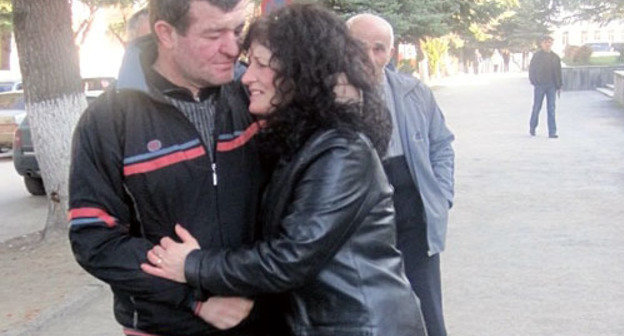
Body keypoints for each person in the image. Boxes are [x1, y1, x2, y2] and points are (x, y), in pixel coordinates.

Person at [141, 4, 428, 336]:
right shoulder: (297, 140)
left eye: (262, 64)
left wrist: (192, 264)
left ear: (299, 72)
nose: (247, 77)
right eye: (250, 63)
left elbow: (289, 258)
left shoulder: (342, 152)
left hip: (361, 326)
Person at [68, 0, 271, 335]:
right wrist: (194, 300)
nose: (233, 48)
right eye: (213, 34)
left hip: (260, 316)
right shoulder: (107, 121)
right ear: (166, 33)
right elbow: (96, 240)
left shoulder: (255, 95)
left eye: (237, 30)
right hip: (165, 324)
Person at [347, 13, 455, 336]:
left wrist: (442, 195)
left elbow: (442, 145)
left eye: (379, 48)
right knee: (374, 311)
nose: (369, 56)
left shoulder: (414, 92)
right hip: (361, 215)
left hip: (413, 209)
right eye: (358, 46)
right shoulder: (329, 97)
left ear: (390, 54)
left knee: (428, 309)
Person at [529, 35, 562, 138]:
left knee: (551, 108)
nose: (548, 44)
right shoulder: (537, 56)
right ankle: (532, 127)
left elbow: (558, 72)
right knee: (537, 107)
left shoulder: (555, 57)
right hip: (540, 85)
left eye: (549, 42)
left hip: (551, 85)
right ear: (541, 43)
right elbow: (532, 70)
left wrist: (559, 85)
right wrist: (534, 81)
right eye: (546, 42)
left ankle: (552, 132)